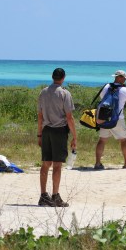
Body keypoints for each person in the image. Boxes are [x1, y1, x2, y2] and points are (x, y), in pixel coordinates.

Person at [37, 68, 77, 207]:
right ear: (63, 77)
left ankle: (43, 195)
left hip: (46, 130)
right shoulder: (64, 93)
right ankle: (55, 195)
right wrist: (74, 136)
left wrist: (39, 134)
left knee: (45, 164)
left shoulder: (43, 92)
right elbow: (69, 117)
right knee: (57, 165)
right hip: (59, 131)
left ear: (52, 77)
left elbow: (40, 115)